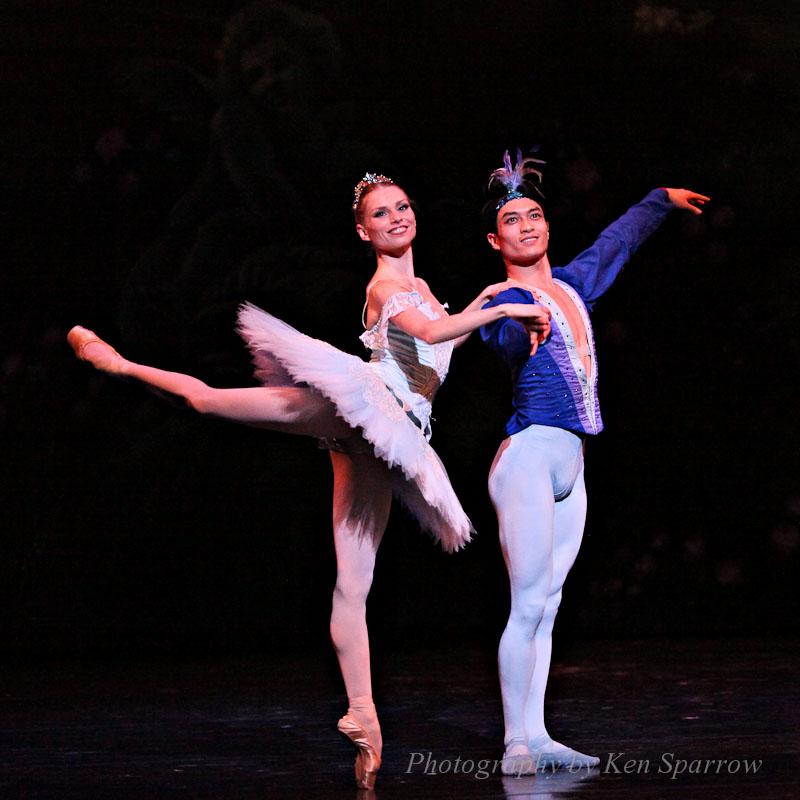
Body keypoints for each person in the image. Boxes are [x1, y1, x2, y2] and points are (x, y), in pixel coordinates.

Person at [68, 172, 552, 790]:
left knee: (355, 584)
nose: (398, 218)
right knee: (212, 401)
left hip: (392, 438)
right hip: (366, 405)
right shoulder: (383, 287)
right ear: (363, 231)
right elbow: (429, 335)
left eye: (403, 207)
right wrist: (506, 303)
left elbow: (441, 334)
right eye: (382, 215)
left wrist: (484, 298)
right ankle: (120, 363)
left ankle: (364, 717)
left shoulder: (422, 286)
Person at [478, 151, 709, 775]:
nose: (526, 226)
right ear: (495, 237)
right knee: (525, 603)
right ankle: (513, 742)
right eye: (512, 220)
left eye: (534, 215)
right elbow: (494, 336)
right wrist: (511, 321)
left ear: (547, 226)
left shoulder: (574, 287)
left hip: (572, 465)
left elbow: (616, 243)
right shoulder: (503, 298)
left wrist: (660, 198)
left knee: (549, 604)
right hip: (527, 460)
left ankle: (540, 731)